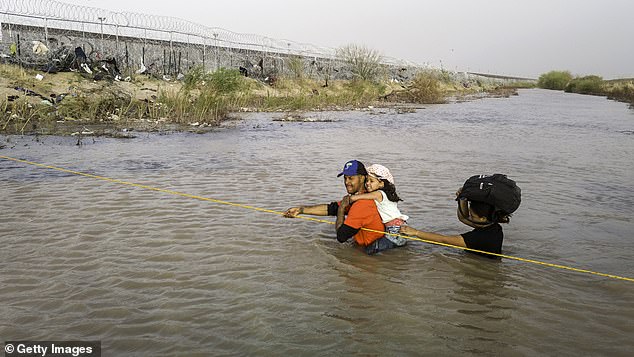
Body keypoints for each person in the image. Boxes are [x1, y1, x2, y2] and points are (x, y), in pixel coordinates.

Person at [284, 160, 402, 255]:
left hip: (377, 252)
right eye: (345, 178)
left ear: (362, 178)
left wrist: (341, 210)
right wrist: (301, 210)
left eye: (351, 178)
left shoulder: (362, 204)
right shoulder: (360, 197)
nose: (347, 182)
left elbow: (341, 236)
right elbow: (332, 208)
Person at [400, 191, 505, 257]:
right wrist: (462, 200)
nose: (470, 217)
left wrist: (416, 232)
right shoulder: (494, 226)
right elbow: (463, 218)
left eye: (472, 215)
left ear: (483, 218)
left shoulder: (478, 238)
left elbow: (444, 240)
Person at [348, 164, 409, 247]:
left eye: (371, 181)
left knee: (371, 250)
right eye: (367, 181)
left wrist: (351, 198)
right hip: (400, 227)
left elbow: (359, 197)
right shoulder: (387, 194)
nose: (367, 183)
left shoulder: (378, 194)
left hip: (394, 230)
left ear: (381, 184)